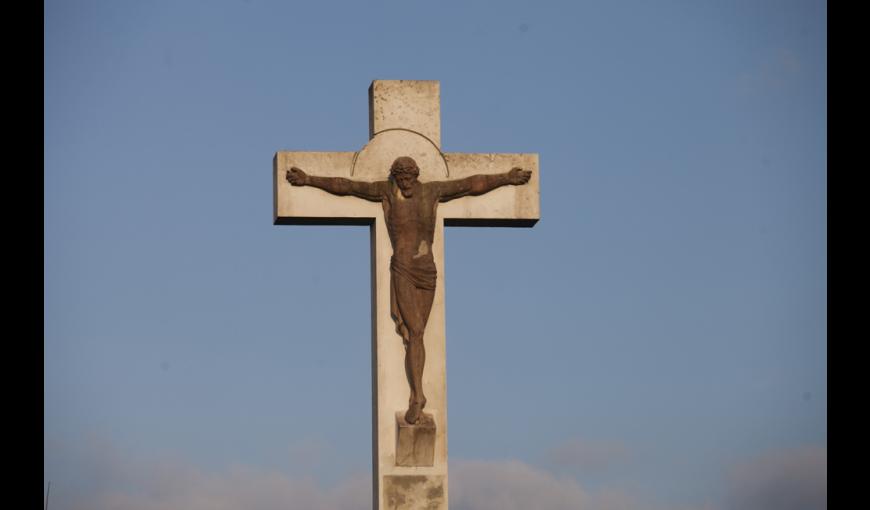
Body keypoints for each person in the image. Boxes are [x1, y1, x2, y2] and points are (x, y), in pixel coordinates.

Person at [287, 156, 532, 424]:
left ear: (416, 175)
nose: (405, 183)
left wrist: (506, 178)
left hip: (427, 271)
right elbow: (346, 186)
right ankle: (417, 396)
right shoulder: (386, 191)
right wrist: (309, 180)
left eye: (408, 178)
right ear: (395, 177)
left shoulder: (432, 191)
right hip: (402, 268)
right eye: (400, 178)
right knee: (415, 332)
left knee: (418, 334)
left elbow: (472, 184)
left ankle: (417, 393)